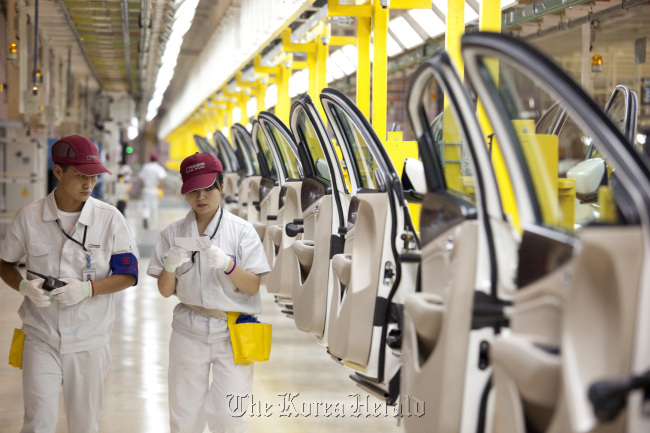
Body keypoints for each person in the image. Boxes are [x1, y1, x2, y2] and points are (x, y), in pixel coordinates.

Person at [0, 135, 139, 433]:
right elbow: (5, 263)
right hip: (40, 337)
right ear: (58, 172)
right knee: (38, 423)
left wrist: (88, 289)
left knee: (84, 425)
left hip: (90, 339)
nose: (89, 183)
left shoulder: (109, 218)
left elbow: (128, 274)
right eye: (80, 176)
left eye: (94, 176)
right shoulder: (29, 217)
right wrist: (25, 288)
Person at [147, 152, 270, 433]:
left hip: (234, 330)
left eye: (207, 189)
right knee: (184, 414)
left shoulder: (242, 232)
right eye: (192, 191)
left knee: (229, 416)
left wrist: (228, 265)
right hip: (189, 328)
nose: (200, 197)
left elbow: (251, 286)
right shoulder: (173, 233)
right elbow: (166, 291)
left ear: (221, 186)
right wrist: (169, 265)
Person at [138, 151, 167, 229]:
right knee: (154, 207)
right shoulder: (158, 168)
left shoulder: (145, 167)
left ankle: (145, 217)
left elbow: (141, 178)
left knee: (146, 206)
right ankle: (153, 224)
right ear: (157, 159)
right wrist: (159, 186)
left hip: (146, 190)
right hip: (154, 190)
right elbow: (161, 178)